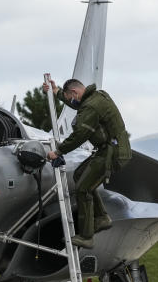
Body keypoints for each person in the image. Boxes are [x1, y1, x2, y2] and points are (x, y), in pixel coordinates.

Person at [42, 78, 131, 249]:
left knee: (83, 189)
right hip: (110, 149)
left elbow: (80, 135)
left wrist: (58, 152)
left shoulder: (91, 106)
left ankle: (86, 236)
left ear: (74, 93)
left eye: (70, 97)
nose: (71, 100)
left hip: (112, 153)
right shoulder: (97, 97)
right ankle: (102, 218)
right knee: (79, 175)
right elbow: (79, 106)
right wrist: (57, 92)